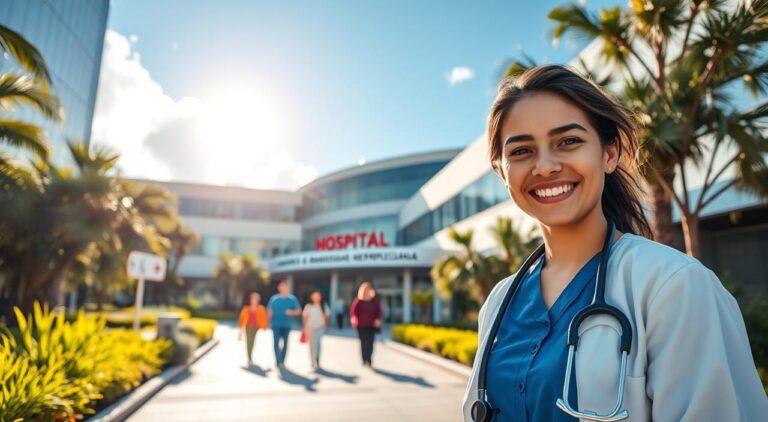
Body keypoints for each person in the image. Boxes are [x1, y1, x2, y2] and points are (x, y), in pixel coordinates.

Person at [462, 65, 768, 421]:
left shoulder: (674, 286)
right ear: (502, 172)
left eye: (568, 141)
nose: (544, 167)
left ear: (609, 154)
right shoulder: (500, 301)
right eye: (521, 151)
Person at [267, 280, 301, 368]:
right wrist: (267, 322)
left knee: (285, 344)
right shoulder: (274, 299)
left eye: (285, 286)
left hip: (287, 325)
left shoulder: (292, 299)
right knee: (276, 343)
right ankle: (278, 361)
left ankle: (282, 361)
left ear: (287, 287)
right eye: (281, 286)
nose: (283, 288)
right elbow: (270, 311)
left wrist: (291, 312)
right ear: (279, 288)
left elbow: (299, 311)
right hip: (275, 325)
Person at [350, 281, 381, 367]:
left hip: (371, 325)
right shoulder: (358, 301)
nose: (367, 291)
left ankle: (369, 359)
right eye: (365, 290)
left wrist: (378, 319)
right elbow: (353, 312)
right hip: (361, 325)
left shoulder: (374, 301)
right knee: (363, 343)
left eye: (368, 289)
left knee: (370, 343)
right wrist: (354, 319)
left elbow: (379, 312)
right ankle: (364, 359)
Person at [237, 292, 268, 366]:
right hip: (248, 327)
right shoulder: (246, 308)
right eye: (253, 298)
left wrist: (265, 326)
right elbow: (241, 319)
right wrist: (240, 331)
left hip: (256, 327)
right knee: (249, 342)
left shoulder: (261, 308)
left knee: (253, 342)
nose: (255, 300)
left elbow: (264, 318)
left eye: (256, 298)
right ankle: (249, 358)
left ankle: (250, 356)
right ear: (250, 299)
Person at [302, 290, 330, 370]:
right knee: (311, 345)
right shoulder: (308, 306)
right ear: (311, 297)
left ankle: (317, 358)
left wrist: (326, 326)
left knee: (317, 342)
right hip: (309, 327)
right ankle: (312, 361)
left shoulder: (324, 306)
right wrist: (304, 328)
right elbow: (305, 317)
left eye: (318, 296)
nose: (316, 297)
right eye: (315, 296)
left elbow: (326, 316)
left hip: (320, 327)